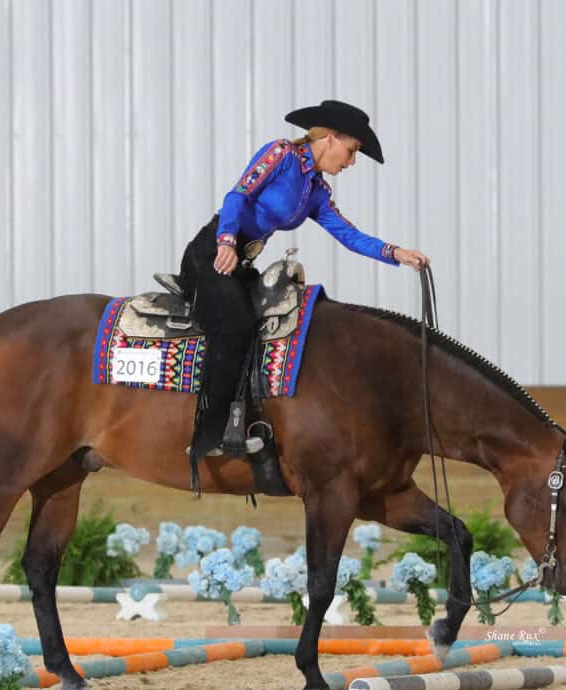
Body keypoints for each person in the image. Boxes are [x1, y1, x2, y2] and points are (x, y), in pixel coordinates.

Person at [179, 99, 429, 463]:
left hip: (241, 260)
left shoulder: (316, 191)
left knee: (272, 324)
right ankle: (208, 432)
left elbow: (349, 235)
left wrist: (395, 253)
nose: (351, 161)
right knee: (235, 325)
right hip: (213, 253)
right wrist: (227, 240)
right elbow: (238, 195)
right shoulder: (280, 154)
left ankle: (243, 419)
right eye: (351, 150)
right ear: (330, 137)